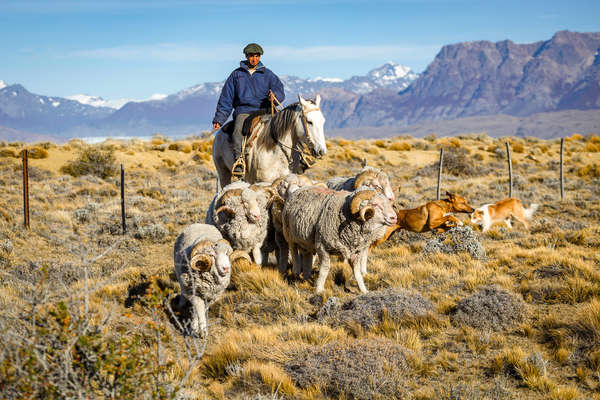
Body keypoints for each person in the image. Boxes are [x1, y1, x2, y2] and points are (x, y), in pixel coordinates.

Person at [212, 43, 285, 177]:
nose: (254, 59)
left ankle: (292, 158)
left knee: (284, 127)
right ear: (246, 56)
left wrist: (274, 96)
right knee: (238, 129)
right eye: (252, 56)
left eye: (257, 56)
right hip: (244, 111)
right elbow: (226, 98)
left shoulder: (268, 74)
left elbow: (280, 91)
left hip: (266, 109)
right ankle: (239, 160)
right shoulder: (236, 75)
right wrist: (219, 119)